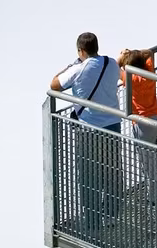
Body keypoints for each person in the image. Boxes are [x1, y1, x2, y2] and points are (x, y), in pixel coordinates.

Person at [50, 33, 121, 236]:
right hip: (113, 124)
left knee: (89, 177)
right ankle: (111, 215)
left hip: (89, 130)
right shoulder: (111, 63)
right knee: (112, 172)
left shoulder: (78, 70)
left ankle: (92, 222)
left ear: (81, 51)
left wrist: (70, 65)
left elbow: (54, 84)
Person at [118, 48, 157, 198]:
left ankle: (154, 195)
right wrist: (134, 53)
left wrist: (123, 56)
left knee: (145, 161)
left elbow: (116, 67)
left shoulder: (130, 78)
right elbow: (150, 52)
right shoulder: (149, 71)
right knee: (153, 155)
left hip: (142, 123)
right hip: (156, 118)